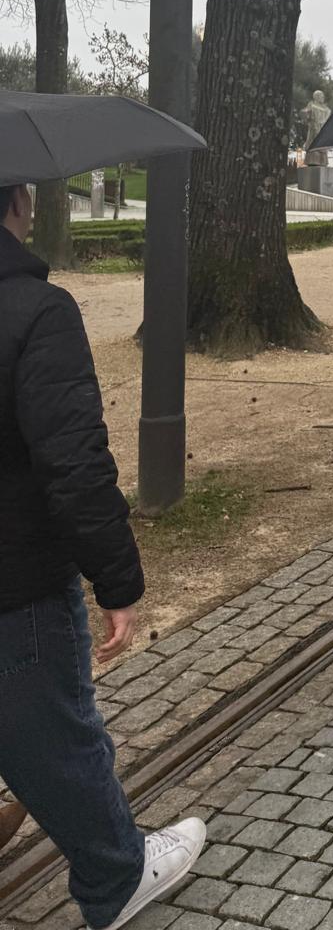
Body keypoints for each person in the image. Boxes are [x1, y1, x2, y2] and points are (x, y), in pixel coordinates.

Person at [0, 184, 206, 930]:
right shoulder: (38, 312)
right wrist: (117, 579)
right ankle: (117, 875)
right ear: (19, 202)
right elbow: (73, 462)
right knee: (58, 736)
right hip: (16, 582)